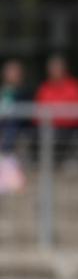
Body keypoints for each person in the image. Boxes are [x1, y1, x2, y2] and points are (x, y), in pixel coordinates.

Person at [34, 54, 78, 171]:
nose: (56, 71)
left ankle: (70, 160)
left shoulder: (75, 86)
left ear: (64, 69)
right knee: (38, 133)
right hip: (50, 128)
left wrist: (61, 117)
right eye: (53, 68)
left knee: (69, 134)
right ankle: (47, 163)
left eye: (58, 68)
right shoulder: (44, 88)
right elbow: (38, 113)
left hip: (70, 127)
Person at [0, 59, 30, 193]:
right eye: (9, 72)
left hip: (15, 127)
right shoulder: (3, 92)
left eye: (15, 72)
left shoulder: (24, 93)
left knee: (12, 125)